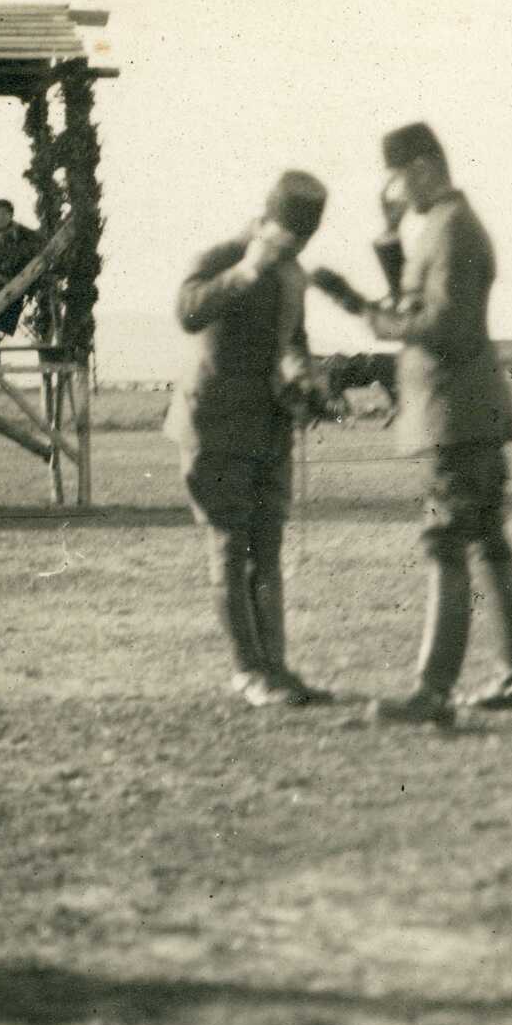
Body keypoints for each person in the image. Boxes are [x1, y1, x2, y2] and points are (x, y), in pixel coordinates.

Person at [322, 123, 512, 726]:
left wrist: (373, 320)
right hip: (468, 411)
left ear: (421, 168)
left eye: (395, 179)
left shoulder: (449, 231)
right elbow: (418, 301)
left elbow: (442, 325)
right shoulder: (447, 226)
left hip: (455, 414)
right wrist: (389, 239)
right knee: (487, 540)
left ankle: (432, 692)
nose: (392, 192)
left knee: (444, 541)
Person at [166, 171, 336, 709]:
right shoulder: (220, 255)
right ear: (264, 222)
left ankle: (276, 670)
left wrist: (306, 378)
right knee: (229, 548)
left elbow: (294, 340)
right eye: (287, 241)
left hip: (268, 428)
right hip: (214, 427)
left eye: (301, 244)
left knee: (267, 550)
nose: (293, 252)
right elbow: (188, 311)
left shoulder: (292, 274)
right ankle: (248, 672)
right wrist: (244, 272)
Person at [0, 197, 43, 343]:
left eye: (4, 213)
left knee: (15, 296)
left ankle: (1, 330)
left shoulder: (22, 231)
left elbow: (36, 243)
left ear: (11, 214)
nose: (1, 217)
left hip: (16, 276)